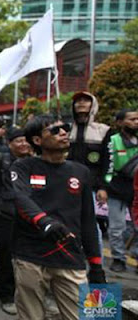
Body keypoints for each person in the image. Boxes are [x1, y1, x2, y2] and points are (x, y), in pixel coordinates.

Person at [8, 115, 105, 319]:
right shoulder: (22, 167)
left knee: (86, 316)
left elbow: (88, 220)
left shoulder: (81, 171)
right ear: (37, 141)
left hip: (70, 258)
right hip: (30, 257)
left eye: (65, 128)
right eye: (54, 130)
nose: (63, 132)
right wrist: (45, 222)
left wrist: (96, 265)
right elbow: (20, 198)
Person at [0, 117, 31, 315]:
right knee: (4, 257)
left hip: (30, 218)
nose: (23, 144)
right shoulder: (1, 161)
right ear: (10, 144)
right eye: (18, 141)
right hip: (5, 215)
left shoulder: (36, 163)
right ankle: (7, 295)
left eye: (26, 140)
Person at [66, 92, 110, 268]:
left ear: (93, 105)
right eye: (78, 101)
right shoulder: (65, 129)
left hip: (90, 188)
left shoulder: (103, 130)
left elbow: (108, 161)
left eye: (85, 100)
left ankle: (98, 273)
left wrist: (103, 186)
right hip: (65, 186)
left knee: (92, 229)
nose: (81, 104)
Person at [104, 109, 138, 272]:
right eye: (132, 119)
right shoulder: (112, 140)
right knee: (117, 227)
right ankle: (118, 258)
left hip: (136, 188)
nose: (136, 122)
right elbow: (107, 165)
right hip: (116, 188)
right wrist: (105, 186)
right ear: (120, 122)